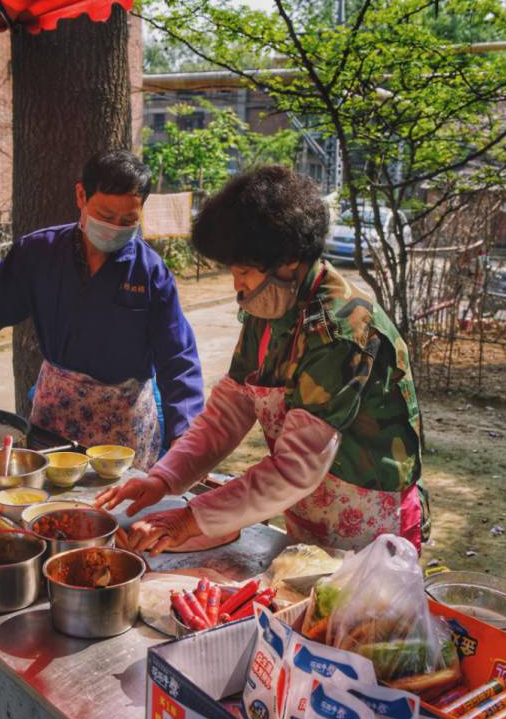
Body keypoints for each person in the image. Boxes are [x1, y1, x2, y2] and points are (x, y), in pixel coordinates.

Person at [96, 165, 428, 552]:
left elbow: (295, 467)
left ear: (288, 261)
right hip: (305, 501)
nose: (237, 286)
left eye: (243, 272)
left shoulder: (339, 330)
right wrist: (165, 477)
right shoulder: (271, 303)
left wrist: (191, 518)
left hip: (366, 514)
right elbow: (231, 407)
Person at [0, 150, 204, 468]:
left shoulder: (150, 272)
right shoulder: (38, 253)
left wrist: (187, 434)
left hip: (123, 425)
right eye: (106, 216)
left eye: (128, 221)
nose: (114, 229)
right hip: (55, 415)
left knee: (114, 509)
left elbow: (178, 357)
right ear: (81, 194)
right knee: (45, 508)